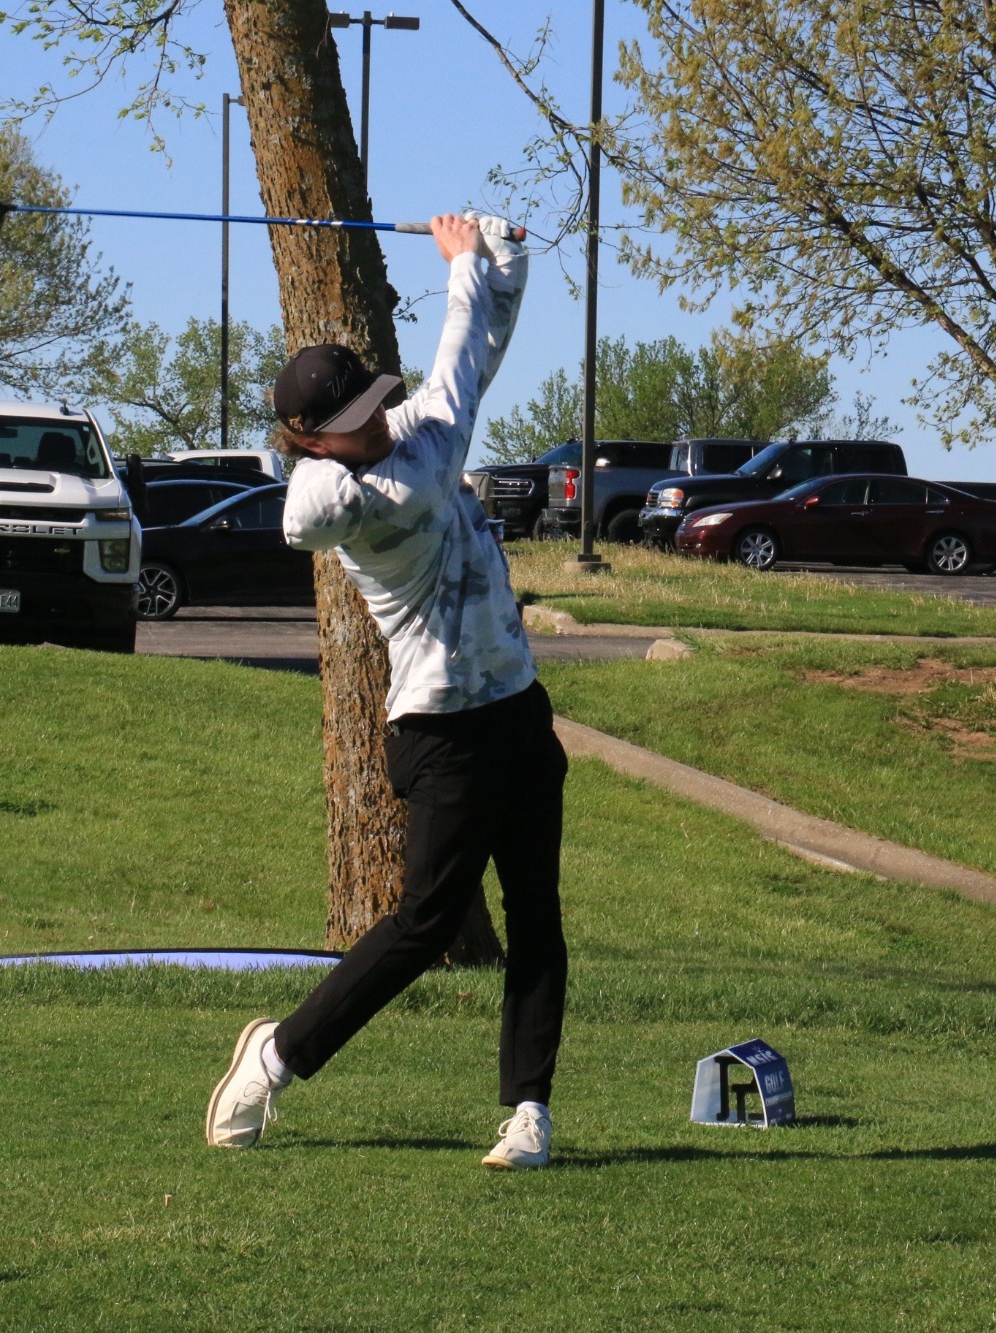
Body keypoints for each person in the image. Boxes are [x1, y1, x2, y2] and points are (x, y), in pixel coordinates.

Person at [204, 212, 568, 1170]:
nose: (376, 416)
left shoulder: (405, 437)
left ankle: (529, 1111)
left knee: (538, 916)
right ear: (313, 439)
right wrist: (460, 267)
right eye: (353, 418)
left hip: (518, 707)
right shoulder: (388, 487)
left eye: (374, 402)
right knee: (424, 922)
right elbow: (446, 383)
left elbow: (477, 352)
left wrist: (500, 260)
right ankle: (276, 1056)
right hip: (442, 731)